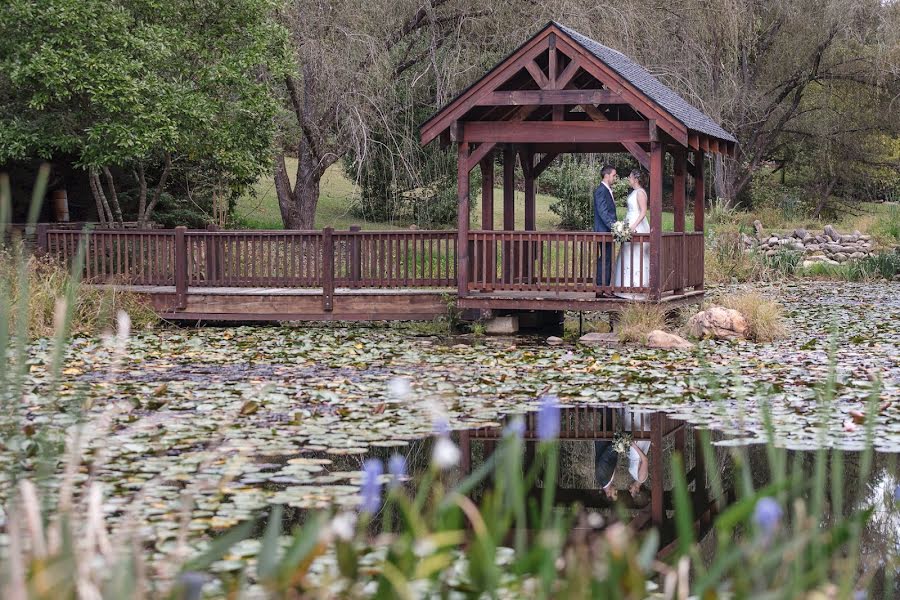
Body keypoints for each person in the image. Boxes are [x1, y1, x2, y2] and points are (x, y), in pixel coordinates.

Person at [613, 169, 650, 299]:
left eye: (630, 176)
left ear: (636, 179)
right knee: (627, 254)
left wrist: (633, 226)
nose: (628, 178)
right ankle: (625, 287)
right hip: (629, 224)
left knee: (636, 255)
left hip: (636, 225)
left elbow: (643, 211)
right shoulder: (634, 192)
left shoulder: (640, 193)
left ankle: (637, 288)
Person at [592, 165, 618, 296]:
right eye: (614, 175)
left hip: (607, 231)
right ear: (606, 175)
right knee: (605, 259)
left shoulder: (607, 190)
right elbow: (603, 212)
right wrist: (614, 227)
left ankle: (604, 288)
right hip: (603, 231)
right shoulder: (601, 191)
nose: (615, 178)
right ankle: (601, 289)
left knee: (607, 258)